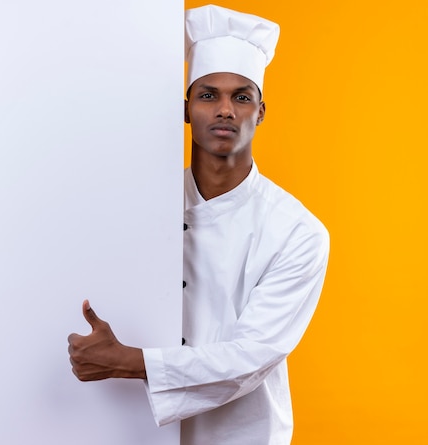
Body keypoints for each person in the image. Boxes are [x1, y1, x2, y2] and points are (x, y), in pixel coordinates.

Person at [67, 4, 329, 444]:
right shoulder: (139, 205)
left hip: (244, 435)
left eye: (241, 97)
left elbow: (251, 357)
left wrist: (129, 362)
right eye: (208, 95)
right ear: (186, 108)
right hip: (126, 426)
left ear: (261, 112)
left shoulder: (297, 232)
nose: (225, 109)